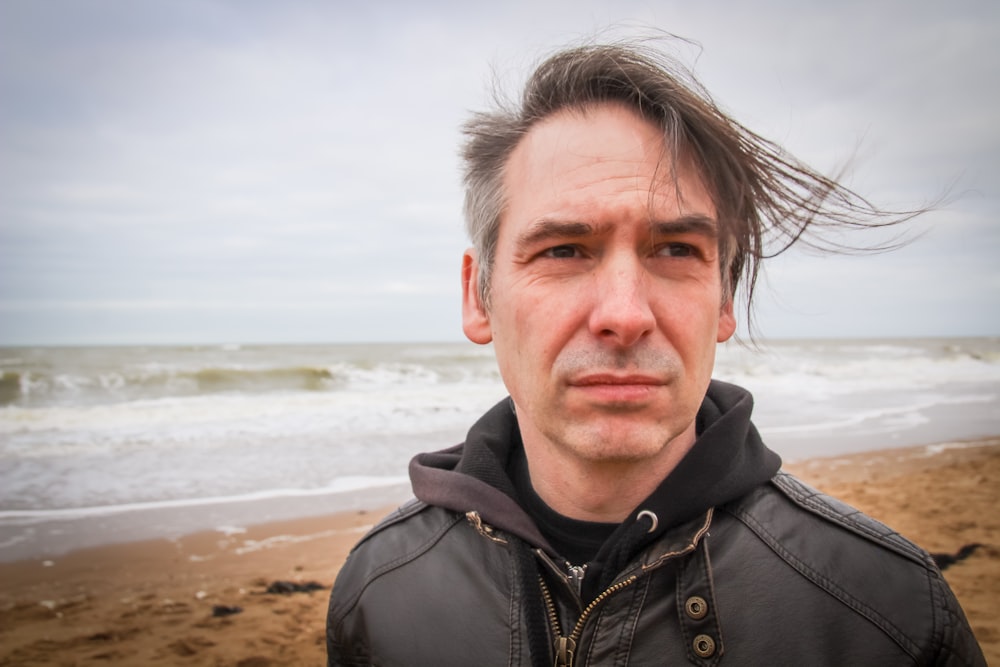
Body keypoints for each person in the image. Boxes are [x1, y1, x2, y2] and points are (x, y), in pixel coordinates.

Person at [326, 39, 985, 666]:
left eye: (675, 249)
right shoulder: (380, 590)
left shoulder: (885, 611)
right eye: (563, 249)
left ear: (725, 298)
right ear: (479, 296)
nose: (624, 314)